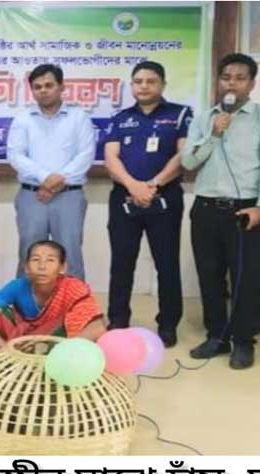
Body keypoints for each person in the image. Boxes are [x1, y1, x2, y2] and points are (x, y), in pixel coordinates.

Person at [182, 53, 260, 369]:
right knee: (210, 277)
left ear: (252, 83)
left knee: (246, 279)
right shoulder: (204, 119)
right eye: (226, 77)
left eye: (240, 78)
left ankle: (243, 341)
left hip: (245, 210)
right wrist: (214, 135)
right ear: (219, 81)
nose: (232, 84)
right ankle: (217, 337)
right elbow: (188, 162)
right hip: (205, 208)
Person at [103, 61, 192, 348]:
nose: (144, 86)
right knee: (121, 263)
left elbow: (183, 156)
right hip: (124, 199)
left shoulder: (180, 114)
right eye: (138, 81)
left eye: (151, 81)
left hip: (164, 198)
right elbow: (111, 158)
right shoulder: (120, 118)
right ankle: (118, 320)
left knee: (166, 263)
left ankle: (168, 324)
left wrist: (153, 185)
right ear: (132, 85)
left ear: (162, 85)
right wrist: (133, 186)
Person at [7, 63, 96, 280]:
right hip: (32, 196)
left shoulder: (78, 117)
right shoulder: (23, 118)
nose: (43, 90)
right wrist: (45, 178)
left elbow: (85, 155)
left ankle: (73, 301)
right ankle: (26, 301)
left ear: (61, 86)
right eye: (37, 87)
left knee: (70, 254)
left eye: (49, 85)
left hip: (69, 196)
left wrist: (56, 181)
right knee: (29, 253)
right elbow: (15, 155)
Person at [0, 240, 105, 349]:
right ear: (26, 267)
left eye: (50, 260)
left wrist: (65, 351)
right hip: (21, 343)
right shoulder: (17, 286)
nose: (42, 266)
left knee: (76, 321)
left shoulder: (74, 288)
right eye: (36, 259)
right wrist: (4, 350)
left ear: (62, 268)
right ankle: (16, 355)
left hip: (59, 344)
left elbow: (97, 327)